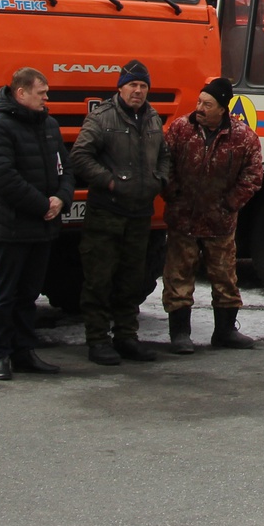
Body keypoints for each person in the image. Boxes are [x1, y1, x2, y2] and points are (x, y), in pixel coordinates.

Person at [68, 59, 172, 366]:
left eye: (143, 86)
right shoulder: (102, 118)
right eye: (132, 85)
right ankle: (98, 340)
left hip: (140, 212)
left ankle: (127, 337)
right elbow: (80, 156)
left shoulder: (152, 117)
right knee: (99, 279)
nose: (138, 91)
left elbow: (164, 155)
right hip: (107, 213)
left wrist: (160, 179)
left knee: (132, 279)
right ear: (120, 88)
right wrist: (110, 181)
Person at [0, 67, 72, 381]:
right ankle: (0, 355)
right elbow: (2, 177)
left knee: (28, 294)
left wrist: (61, 198)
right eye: (41, 92)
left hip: (42, 227)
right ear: (21, 93)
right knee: (5, 292)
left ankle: (24, 351)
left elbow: (65, 168)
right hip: (11, 226)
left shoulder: (49, 126)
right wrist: (42, 204)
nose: (47, 98)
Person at [160, 76, 263, 352]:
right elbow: (164, 163)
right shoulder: (181, 129)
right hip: (183, 219)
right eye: (199, 102)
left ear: (222, 108)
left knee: (225, 278)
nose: (200, 108)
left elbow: (253, 176)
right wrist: (173, 196)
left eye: (208, 103)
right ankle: (180, 334)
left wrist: (229, 204)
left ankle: (226, 331)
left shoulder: (243, 137)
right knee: (178, 277)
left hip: (220, 221)